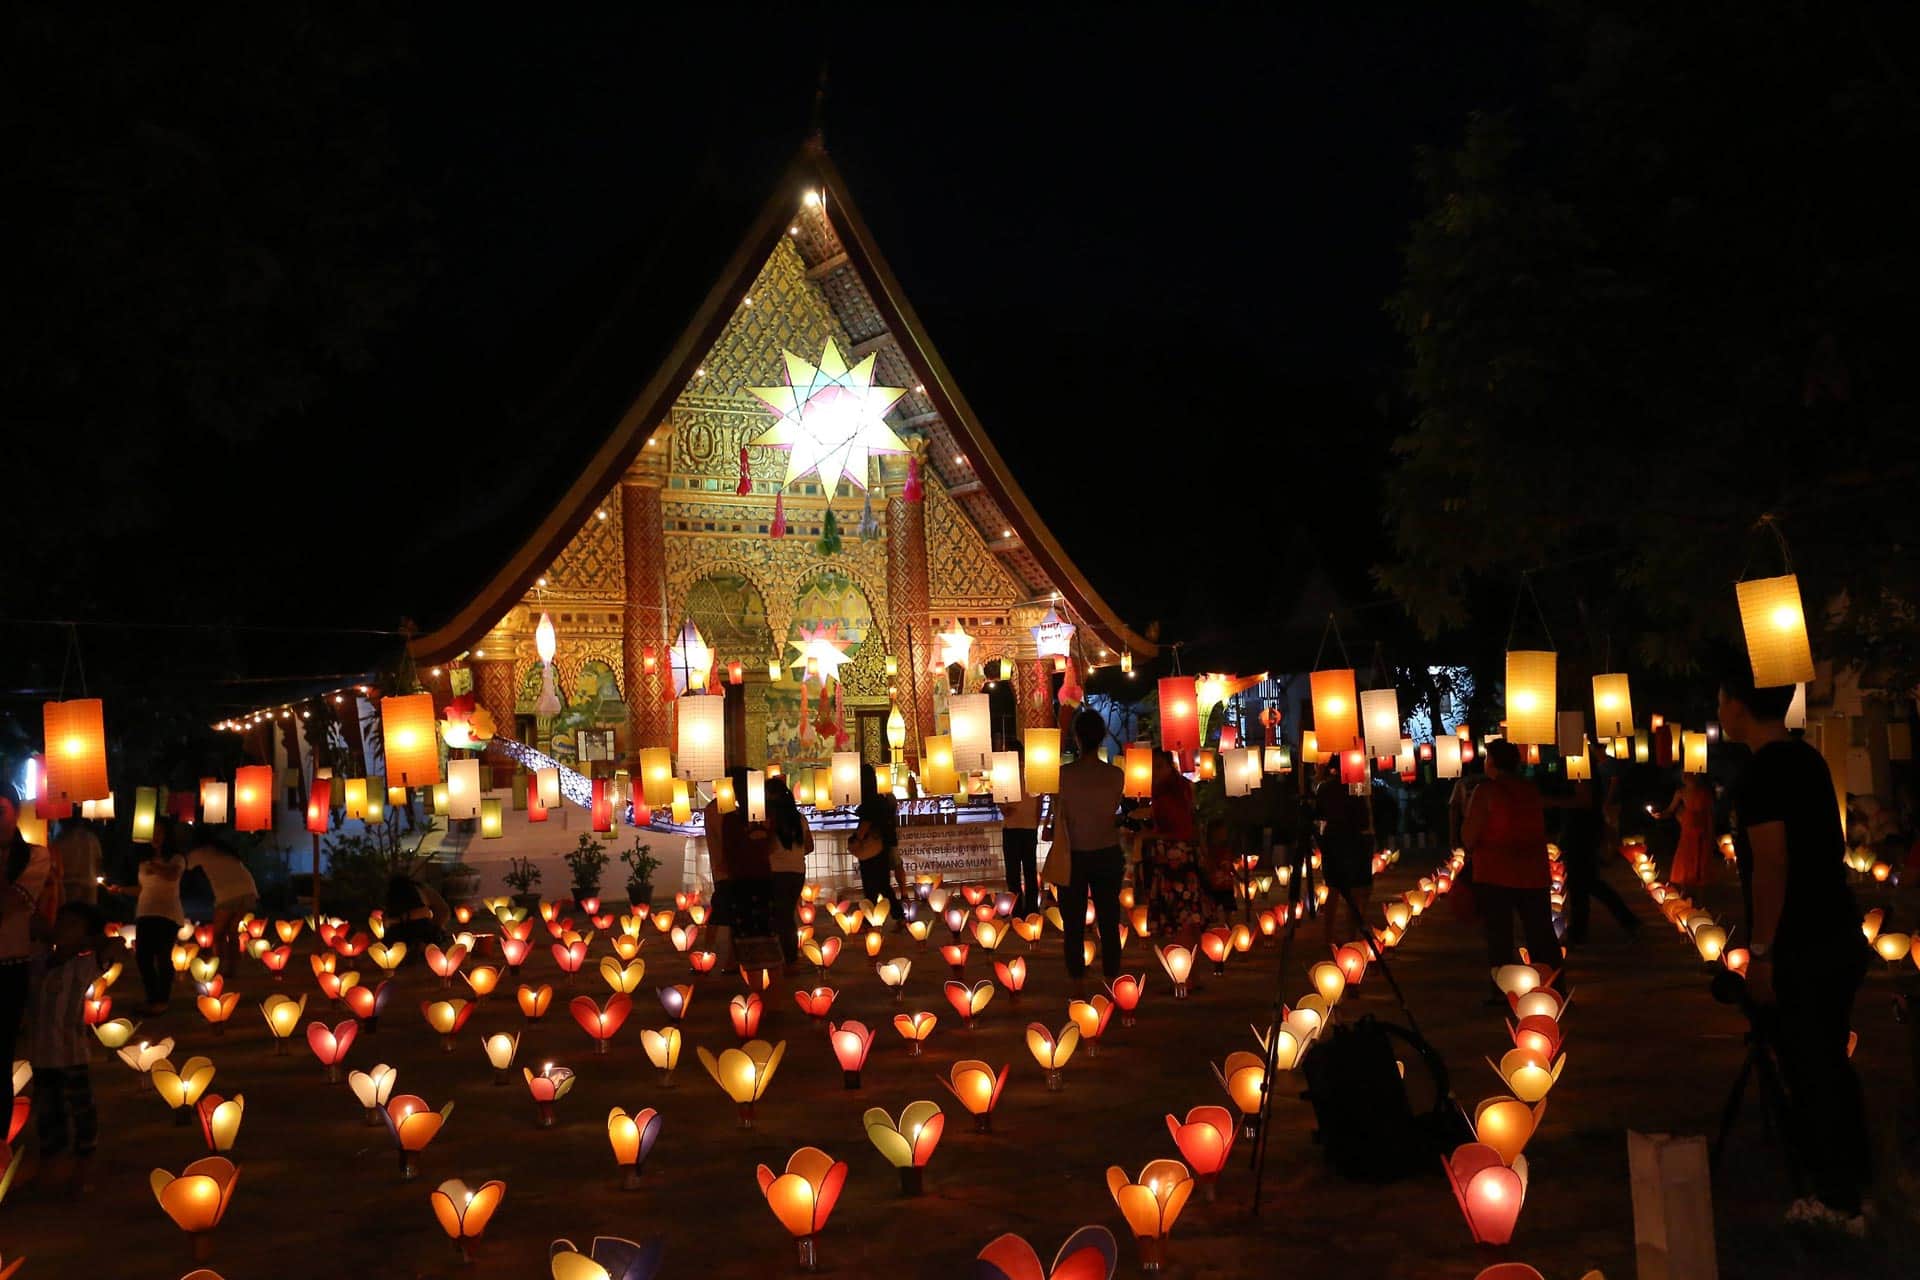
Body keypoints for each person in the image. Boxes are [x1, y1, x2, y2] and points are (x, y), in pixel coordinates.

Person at [1720, 666, 1872, 1232]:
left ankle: (1836, 1200)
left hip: (1801, 941)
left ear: (1739, 705)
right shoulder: (1808, 760)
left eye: (1721, 699)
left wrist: (1761, 952)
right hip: (1837, 929)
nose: (1719, 710)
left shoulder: (1762, 776)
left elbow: (1772, 865)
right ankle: (1853, 1182)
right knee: (1829, 1062)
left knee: (1811, 1067)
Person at [1462, 740, 1560, 979]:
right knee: (1541, 934)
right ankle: (1552, 985)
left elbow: (1469, 835)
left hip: (1495, 872)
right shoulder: (1530, 789)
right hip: (1533, 872)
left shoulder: (1486, 791)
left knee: (1499, 936)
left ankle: (1503, 990)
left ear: (1492, 761)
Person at [28, 900, 106, 1194]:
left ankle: (82, 1168)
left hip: (71, 1054)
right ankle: (50, 1167)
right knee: (48, 1113)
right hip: (41, 1056)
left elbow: (113, 945)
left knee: (81, 1110)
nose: (63, 929)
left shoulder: (84, 965)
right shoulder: (38, 960)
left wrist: (81, 943)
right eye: (61, 922)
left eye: (73, 925)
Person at [1055, 709, 1126, 987]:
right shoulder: (1115, 775)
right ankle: (1112, 974)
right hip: (1107, 850)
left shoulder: (1064, 775)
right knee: (1109, 918)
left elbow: (1059, 815)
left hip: (1074, 853)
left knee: (1073, 922)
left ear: (1076, 737)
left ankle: (1076, 977)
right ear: (1103, 736)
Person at [1552, 770, 1640, 945]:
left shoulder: (1581, 771)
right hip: (1580, 834)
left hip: (1582, 836)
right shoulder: (1579, 770)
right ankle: (1582, 929)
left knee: (1585, 885)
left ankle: (1581, 931)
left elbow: (1584, 801)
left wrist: (1550, 801)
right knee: (1586, 885)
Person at [1, 787, 53, 1069]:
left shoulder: (35, 856)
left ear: (17, 813)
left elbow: (8, 905)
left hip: (11, 966)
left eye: (0, 812)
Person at [120, 817, 186, 1015]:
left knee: (163, 956)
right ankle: (152, 999)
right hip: (145, 913)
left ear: (167, 836)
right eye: (152, 833)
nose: (156, 837)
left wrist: (153, 865)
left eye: (160, 833)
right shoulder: (145, 862)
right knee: (143, 958)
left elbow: (172, 875)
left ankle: (162, 1000)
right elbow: (143, 889)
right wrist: (121, 890)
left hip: (167, 914)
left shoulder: (176, 859)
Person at [1315, 772, 1374, 947]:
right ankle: (1351, 937)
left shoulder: (1324, 788)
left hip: (1332, 841)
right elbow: (1364, 820)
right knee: (1353, 894)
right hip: (1352, 842)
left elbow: (1318, 814)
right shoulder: (1356, 787)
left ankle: (1328, 936)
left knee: (1333, 889)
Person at [188, 836, 257, 976]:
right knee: (232, 932)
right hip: (248, 890)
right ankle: (232, 968)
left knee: (218, 935)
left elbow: (183, 866)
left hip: (228, 893)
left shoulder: (199, 853)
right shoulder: (222, 850)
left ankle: (218, 967)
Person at [764, 777, 813, 973]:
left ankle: (788, 957)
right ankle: (790, 956)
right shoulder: (799, 818)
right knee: (787, 915)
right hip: (797, 872)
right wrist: (794, 853)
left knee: (780, 917)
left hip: (777, 872)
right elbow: (809, 846)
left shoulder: (771, 820)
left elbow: (767, 847)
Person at [1143, 750, 1196, 932]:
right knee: (1177, 908)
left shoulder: (1173, 791)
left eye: (1158, 766)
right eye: (1152, 768)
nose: (1155, 772)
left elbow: (1179, 829)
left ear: (1169, 765)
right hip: (1169, 856)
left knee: (1177, 906)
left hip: (1175, 855)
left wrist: (1149, 836)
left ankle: (1180, 950)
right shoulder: (1169, 789)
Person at [851, 762, 902, 909]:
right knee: (884, 886)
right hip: (883, 846)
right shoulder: (881, 800)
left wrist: (856, 838)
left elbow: (866, 824)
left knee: (871, 887)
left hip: (870, 849)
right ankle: (898, 917)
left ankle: (871, 920)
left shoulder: (869, 802)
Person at [999, 744, 1042, 916]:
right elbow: (1040, 801)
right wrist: (1036, 822)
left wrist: (1004, 808)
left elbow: (1001, 803)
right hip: (1025, 827)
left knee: (1014, 874)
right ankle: (1031, 910)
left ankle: (1018, 911)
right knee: (1029, 872)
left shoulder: (1005, 772)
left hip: (1013, 828)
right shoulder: (1033, 772)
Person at [1659, 774, 1715, 893]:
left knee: (1700, 852)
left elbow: (1709, 813)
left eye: (1689, 775)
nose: (1686, 778)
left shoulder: (1704, 792)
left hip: (1701, 824)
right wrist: (1660, 815)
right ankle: (1685, 884)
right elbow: (1670, 810)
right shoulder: (1680, 792)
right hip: (1688, 825)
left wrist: (1710, 830)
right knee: (1686, 853)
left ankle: (1699, 885)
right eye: (1684, 776)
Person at [53, 817, 101, 906]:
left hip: (69, 884)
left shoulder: (60, 839)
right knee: (88, 915)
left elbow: (56, 863)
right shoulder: (91, 837)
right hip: (89, 883)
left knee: (71, 915)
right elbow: (98, 860)